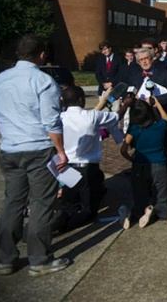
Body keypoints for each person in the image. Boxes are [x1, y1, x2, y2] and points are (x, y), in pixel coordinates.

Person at [0, 34, 71, 276]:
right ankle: (39, 259)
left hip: (10, 148)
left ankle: (5, 257)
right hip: (38, 149)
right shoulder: (43, 81)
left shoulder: (0, 80)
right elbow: (52, 122)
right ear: (41, 54)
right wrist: (60, 152)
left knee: (12, 203)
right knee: (41, 204)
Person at [56, 86, 129, 232]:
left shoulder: (59, 118)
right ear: (81, 100)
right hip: (88, 168)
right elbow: (116, 116)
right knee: (88, 208)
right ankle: (62, 226)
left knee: (69, 202)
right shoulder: (92, 116)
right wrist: (126, 104)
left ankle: (59, 222)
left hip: (66, 167)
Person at [120, 97, 167, 228]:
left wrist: (131, 158)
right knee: (160, 193)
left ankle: (135, 214)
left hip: (140, 163)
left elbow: (123, 149)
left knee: (139, 193)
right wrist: (158, 104)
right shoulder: (159, 126)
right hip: (158, 162)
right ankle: (157, 212)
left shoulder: (134, 129)